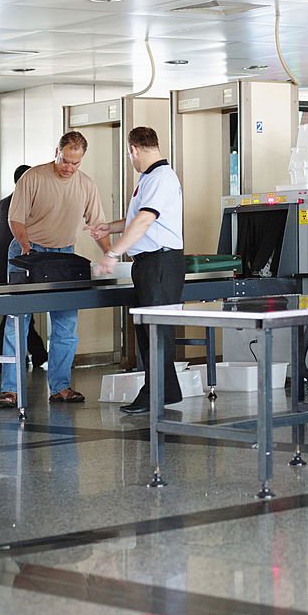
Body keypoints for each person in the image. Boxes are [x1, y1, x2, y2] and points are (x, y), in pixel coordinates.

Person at [0, 131, 111, 409]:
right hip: (28, 252)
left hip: (64, 255)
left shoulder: (86, 185)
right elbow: (16, 218)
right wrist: (25, 247)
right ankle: (11, 390)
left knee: (66, 323)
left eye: (76, 163)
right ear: (56, 152)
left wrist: (112, 254)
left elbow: (98, 224)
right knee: (18, 321)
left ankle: (60, 387)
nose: (69, 168)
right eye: (65, 161)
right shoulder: (33, 178)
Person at [90, 126, 185, 415]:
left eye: (130, 154)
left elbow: (145, 220)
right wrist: (111, 226)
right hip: (150, 264)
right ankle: (166, 391)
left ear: (133, 149)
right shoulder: (151, 178)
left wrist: (112, 253)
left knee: (155, 330)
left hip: (160, 263)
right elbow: (139, 217)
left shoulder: (160, 177)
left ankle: (155, 393)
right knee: (148, 330)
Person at [0, 164, 47, 372]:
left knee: (20, 314)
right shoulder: (28, 205)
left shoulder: (3, 203)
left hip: (1, 268)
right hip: (19, 267)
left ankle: (38, 353)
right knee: (16, 316)